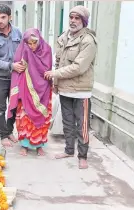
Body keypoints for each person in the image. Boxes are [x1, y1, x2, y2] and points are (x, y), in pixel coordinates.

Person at [44, 5, 97, 169]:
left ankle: (83, 156)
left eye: (77, 18)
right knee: (67, 122)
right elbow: (59, 61)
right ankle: (68, 150)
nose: (73, 21)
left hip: (81, 91)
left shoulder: (89, 41)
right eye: (71, 17)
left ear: (84, 21)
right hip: (65, 89)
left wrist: (55, 74)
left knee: (82, 125)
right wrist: (56, 84)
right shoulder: (64, 37)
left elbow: (78, 67)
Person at [7, 28, 53, 156]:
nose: (32, 46)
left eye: (34, 43)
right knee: (25, 118)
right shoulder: (23, 49)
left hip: (43, 89)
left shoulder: (47, 49)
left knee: (42, 118)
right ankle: (25, 145)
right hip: (26, 89)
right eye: (29, 43)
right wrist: (20, 66)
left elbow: (46, 69)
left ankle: (40, 145)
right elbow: (17, 68)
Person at [0, 4, 24, 147]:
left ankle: (9, 131)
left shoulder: (18, 33)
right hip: (0, 78)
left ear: (10, 17)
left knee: (14, 107)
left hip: (16, 79)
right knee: (1, 109)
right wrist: (11, 66)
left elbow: (23, 51)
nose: (0, 21)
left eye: (3, 17)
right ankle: (3, 135)